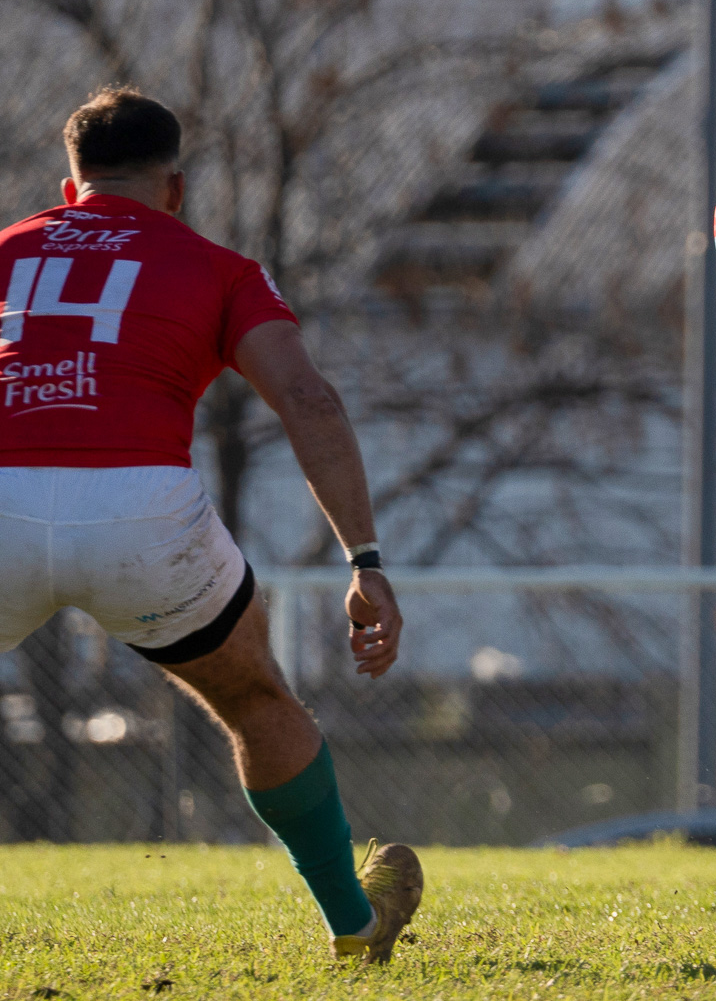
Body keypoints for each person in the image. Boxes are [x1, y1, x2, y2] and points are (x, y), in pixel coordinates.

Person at [0, 88, 422, 962]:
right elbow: (306, 398)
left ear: (69, 186)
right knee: (257, 700)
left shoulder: (7, 250)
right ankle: (353, 925)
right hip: (138, 512)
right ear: (176, 188)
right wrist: (365, 558)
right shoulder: (216, 266)